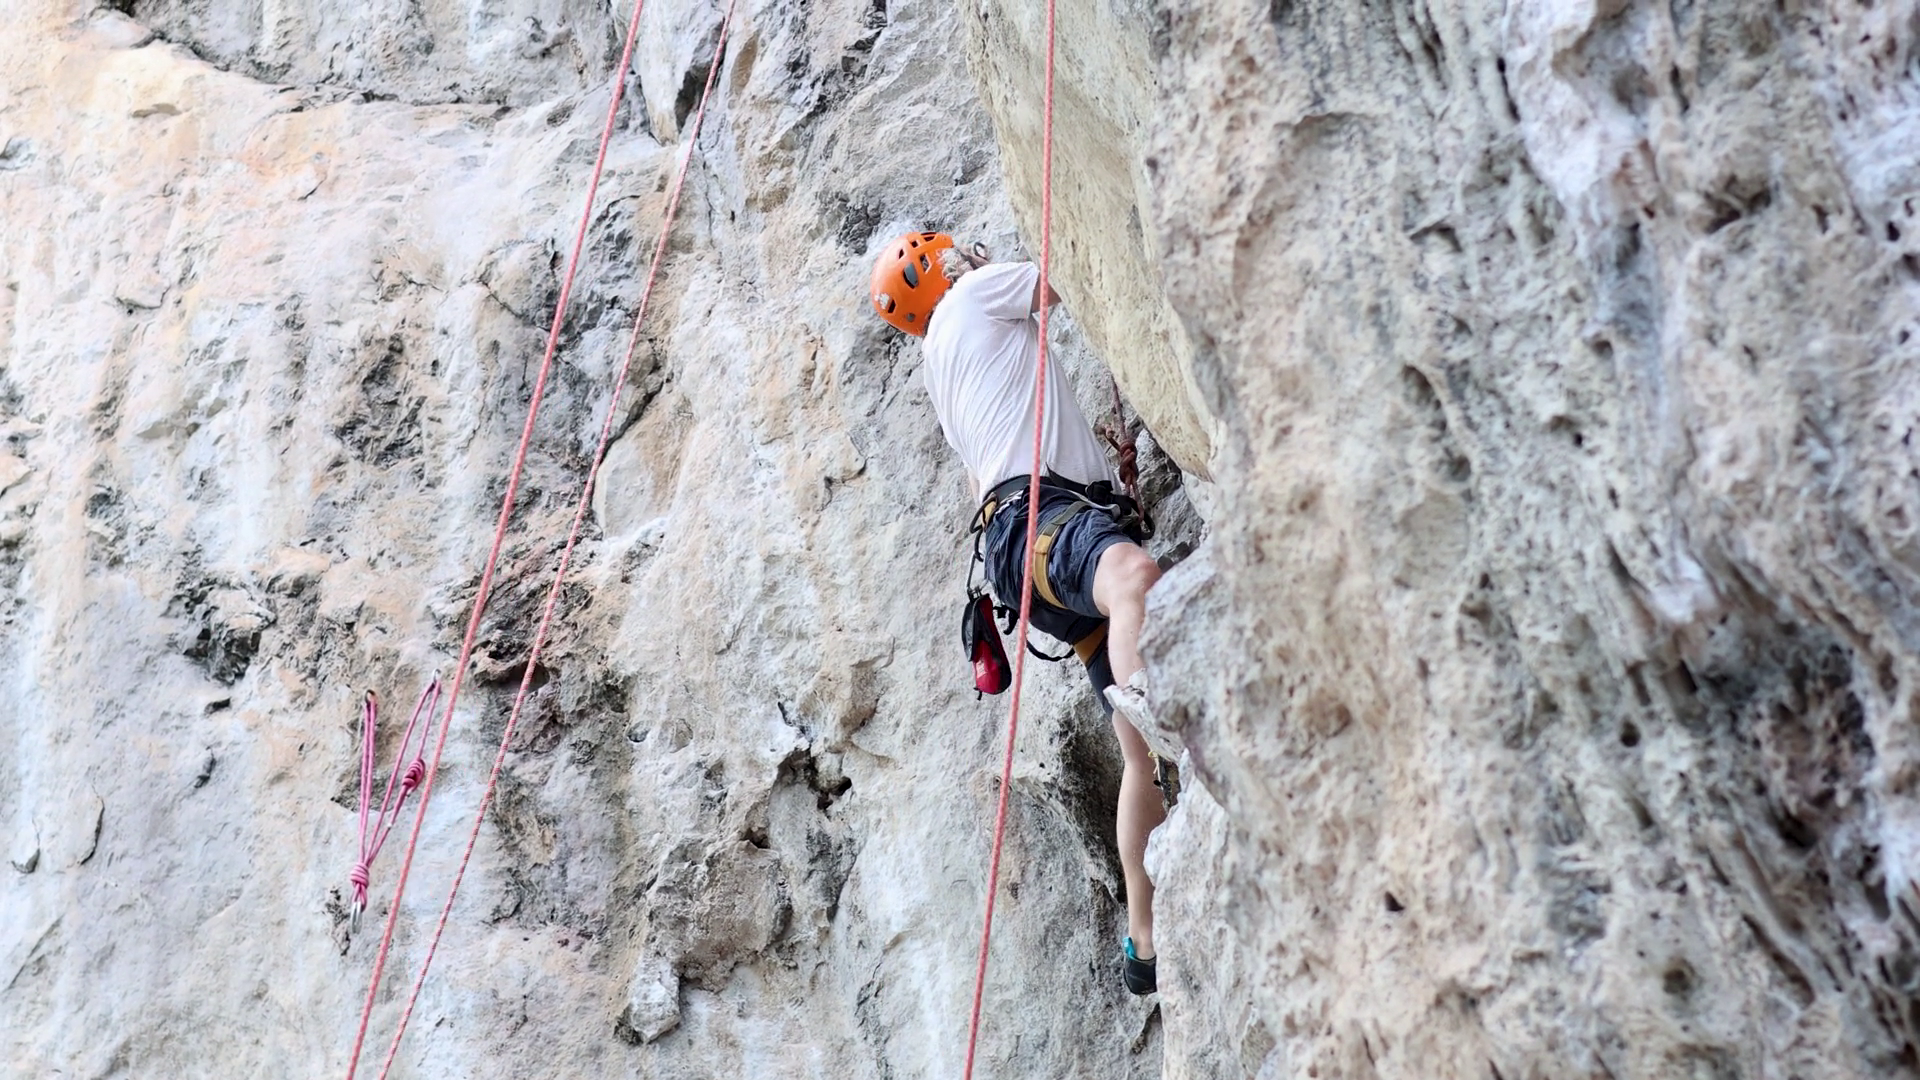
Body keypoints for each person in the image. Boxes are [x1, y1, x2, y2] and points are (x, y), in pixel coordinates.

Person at [869, 230, 1168, 995]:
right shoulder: (974, 295)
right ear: (942, 269)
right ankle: (1168, 727)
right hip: (1042, 523)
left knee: (1135, 756)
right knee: (1133, 578)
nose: (974, 257)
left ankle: (1143, 943)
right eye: (959, 253)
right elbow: (1069, 268)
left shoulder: (940, 367)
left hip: (1020, 551)